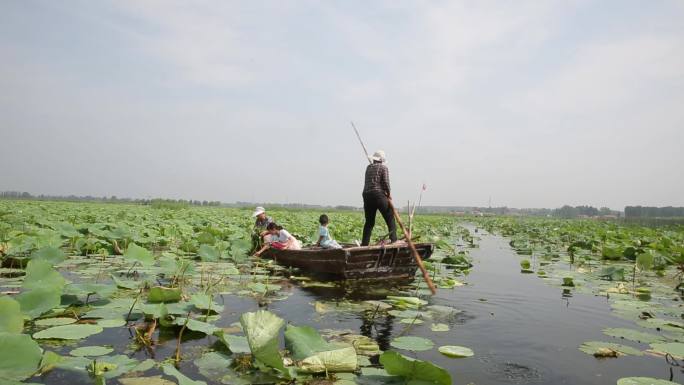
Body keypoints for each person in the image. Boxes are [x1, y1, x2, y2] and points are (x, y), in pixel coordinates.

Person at [361, 150, 397, 246]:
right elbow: (385, 183)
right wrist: (389, 194)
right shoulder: (383, 168)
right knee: (390, 217)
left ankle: (364, 244)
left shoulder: (368, 167)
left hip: (366, 195)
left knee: (369, 222)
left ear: (374, 160)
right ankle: (393, 240)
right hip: (378, 195)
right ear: (381, 160)